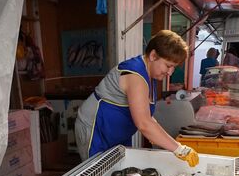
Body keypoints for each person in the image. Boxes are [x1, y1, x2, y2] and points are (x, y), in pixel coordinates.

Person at [75, 30, 199, 167]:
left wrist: (158, 136)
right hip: (97, 129)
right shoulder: (135, 75)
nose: (170, 72)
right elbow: (144, 123)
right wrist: (179, 149)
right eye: (168, 66)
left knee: (119, 172)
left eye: (173, 68)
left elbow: (146, 116)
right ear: (153, 56)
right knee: (96, 174)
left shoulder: (149, 74)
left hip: (116, 131)